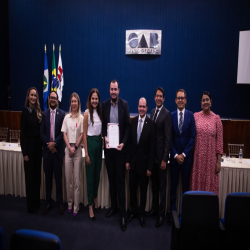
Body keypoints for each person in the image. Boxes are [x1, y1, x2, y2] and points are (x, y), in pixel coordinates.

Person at [102, 79, 130, 231]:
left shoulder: (124, 105)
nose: (113, 91)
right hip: (108, 150)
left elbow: (127, 128)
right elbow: (102, 126)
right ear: (109, 90)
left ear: (119, 90)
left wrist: (123, 143)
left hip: (119, 151)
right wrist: (104, 137)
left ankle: (123, 214)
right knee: (111, 181)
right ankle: (113, 207)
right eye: (111, 89)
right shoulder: (105, 105)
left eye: (115, 89)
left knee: (120, 183)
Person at [126, 98, 155, 227]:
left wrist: (150, 167)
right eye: (140, 106)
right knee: (132, 189)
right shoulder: (133, 122)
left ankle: (141, 214)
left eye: (144, 106)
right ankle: (133, 211)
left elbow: (152, 148)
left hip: (144, 167)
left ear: (147, 108)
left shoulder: (151, 124)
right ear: (137, 107)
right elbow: (130, 144)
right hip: (132, 164)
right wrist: (127, 161)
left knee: (143, 191)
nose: (141, 108)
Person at [168, 89, 196, 225]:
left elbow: (192, 137)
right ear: (175, 100)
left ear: (185, 100)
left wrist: (183, 154)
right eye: (178, 98)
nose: (180, 100)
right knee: (173, 189)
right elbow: (170, 138)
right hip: (173, 160)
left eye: (182, 98)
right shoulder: (171, 115)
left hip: (186, 160)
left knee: (186, 189)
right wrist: (175, 155)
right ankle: (172, 215)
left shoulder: (191, 116)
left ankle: (185, 216)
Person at [146, 86, 172, 228]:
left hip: (161, 159)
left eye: (161, 96)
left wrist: (164, 159)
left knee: (162, 188)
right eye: (156, 96)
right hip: (152, 158)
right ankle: (155, 209)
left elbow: (168, 139)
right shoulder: (152, 111)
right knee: (154, 186)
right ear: (154, 97)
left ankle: (161, 215)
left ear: (164, 98)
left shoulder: (166, 114)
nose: (158, 98)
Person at [190, 91, 223, 195]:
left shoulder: (216, 119)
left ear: (211, 101)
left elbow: (220, 142)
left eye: (207, 100)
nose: (205, 102)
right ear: (201, 102)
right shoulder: (195, 116)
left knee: (210, 189)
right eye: (203, 100)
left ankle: (209, 210)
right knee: (197, 188)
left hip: (210, 161)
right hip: (198, 160)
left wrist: (218, 162)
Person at [40, 91, 65, 215]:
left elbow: (62, 133)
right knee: (48, 179)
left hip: (57, 152)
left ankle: (60, 203)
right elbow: (42, 132)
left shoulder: (62, 114)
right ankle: (48, 202)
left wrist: (54, 143)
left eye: (55, 98)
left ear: (57, 100)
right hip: (48, 153)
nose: (53, 100)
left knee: (58, 180)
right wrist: (49, 145)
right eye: (51, 98)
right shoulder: (44, 114)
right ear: (49, 99)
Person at [20, 87, 42, 213]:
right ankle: (31, 206)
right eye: (31, 95)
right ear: (28, 96)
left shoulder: (38, 111)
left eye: (35, 95)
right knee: (29, 179)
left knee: (37, 177)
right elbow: (22, 135)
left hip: (38, 149)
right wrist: (25, 153)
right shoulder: (25, 112)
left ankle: (37, 203)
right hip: (28, 149)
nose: (33, 97)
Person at [61, 92, 83, 217]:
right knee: (68, 180)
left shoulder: (81, 118)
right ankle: (69, 204)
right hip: (68, 150)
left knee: (76, 181)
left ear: (78, 103)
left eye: (76, 101)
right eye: (72, 101)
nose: (74, 103)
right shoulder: (66, 117)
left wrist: (75, 147)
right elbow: (64, 133)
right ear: (70, 103)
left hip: (78, 150)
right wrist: (69, 147)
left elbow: (81, 134)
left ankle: (76, 206)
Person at [83, 88, 102, 220]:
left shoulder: (101, 113)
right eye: (92, 98)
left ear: (98, 100)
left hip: (99, 144)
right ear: (90, 100)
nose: (94, 101)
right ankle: (90, 205)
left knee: (97, 175)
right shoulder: (86, 114)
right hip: (90, 143)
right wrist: (87, 154)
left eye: (96, 98)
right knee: (90, 177)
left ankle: (95, 197)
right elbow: (84, 134)